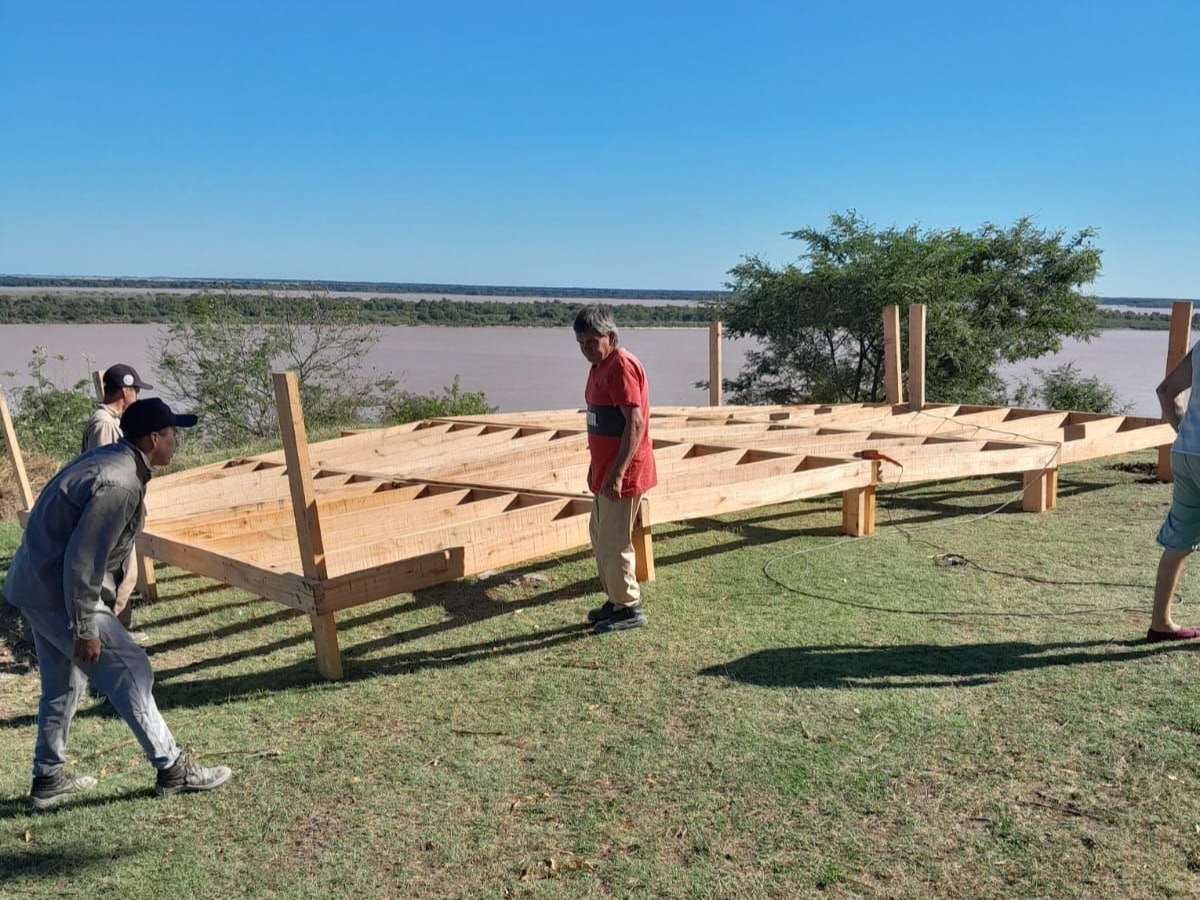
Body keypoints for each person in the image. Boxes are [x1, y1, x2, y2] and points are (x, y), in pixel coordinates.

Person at [4, 397, 233, 809]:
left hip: (35, 585)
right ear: (153, 438)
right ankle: (173, 769)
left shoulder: (115, 460)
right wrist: (87, 628)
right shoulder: (121, 482)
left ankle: (48, 778)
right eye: (172, 434)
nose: (175, 442)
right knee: (131, 669)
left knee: (63, 684)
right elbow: (83, 560)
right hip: (60, 591)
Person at [573, 304, 657, 633]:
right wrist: (598, 468)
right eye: (581, 343)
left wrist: (618, 472)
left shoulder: (621, 365)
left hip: (623, 472)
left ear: (610, 336)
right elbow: (603, 422)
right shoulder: (600, 364)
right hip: (606, 471)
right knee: (599, 534)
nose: (586, 349)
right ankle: (615, 599)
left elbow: (634, 424)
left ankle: (629, 608)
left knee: (614, 540)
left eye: (592, 342)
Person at [81, 363, 151, 631]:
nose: (137, 396)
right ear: (125, 391)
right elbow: (106, 474)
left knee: (126, 578)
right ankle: (112, 636)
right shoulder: (104, 424)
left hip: (118, 517)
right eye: (135, 390)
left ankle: (117, 633)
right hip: (111, 518)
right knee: (118, 579)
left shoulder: (110, 422)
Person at [1149, 345, 1200, 641]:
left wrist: (1185, 433)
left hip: (1185, 454)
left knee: (1179, 541)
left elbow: (1165, 391)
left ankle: (1161, 624)